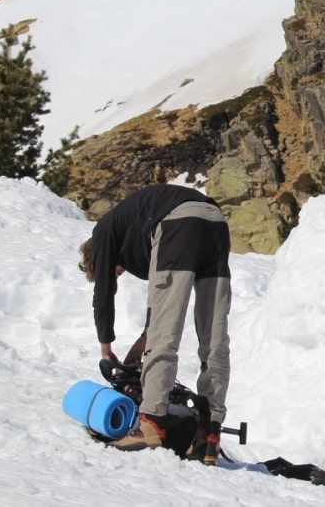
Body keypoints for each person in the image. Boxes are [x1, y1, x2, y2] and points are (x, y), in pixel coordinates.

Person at [78, 183, 231, 453]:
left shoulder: (102, 233)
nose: (119, 274)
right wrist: (143, 339)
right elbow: (161, 306)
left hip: (178, 222)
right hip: (215, 221)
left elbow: (104, 293)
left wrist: (106, 349)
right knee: (214, 336)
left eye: (114, 271)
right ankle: (209, 432)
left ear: (97, 258)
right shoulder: (132, 230)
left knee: (165, 337)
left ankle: (151, 423)